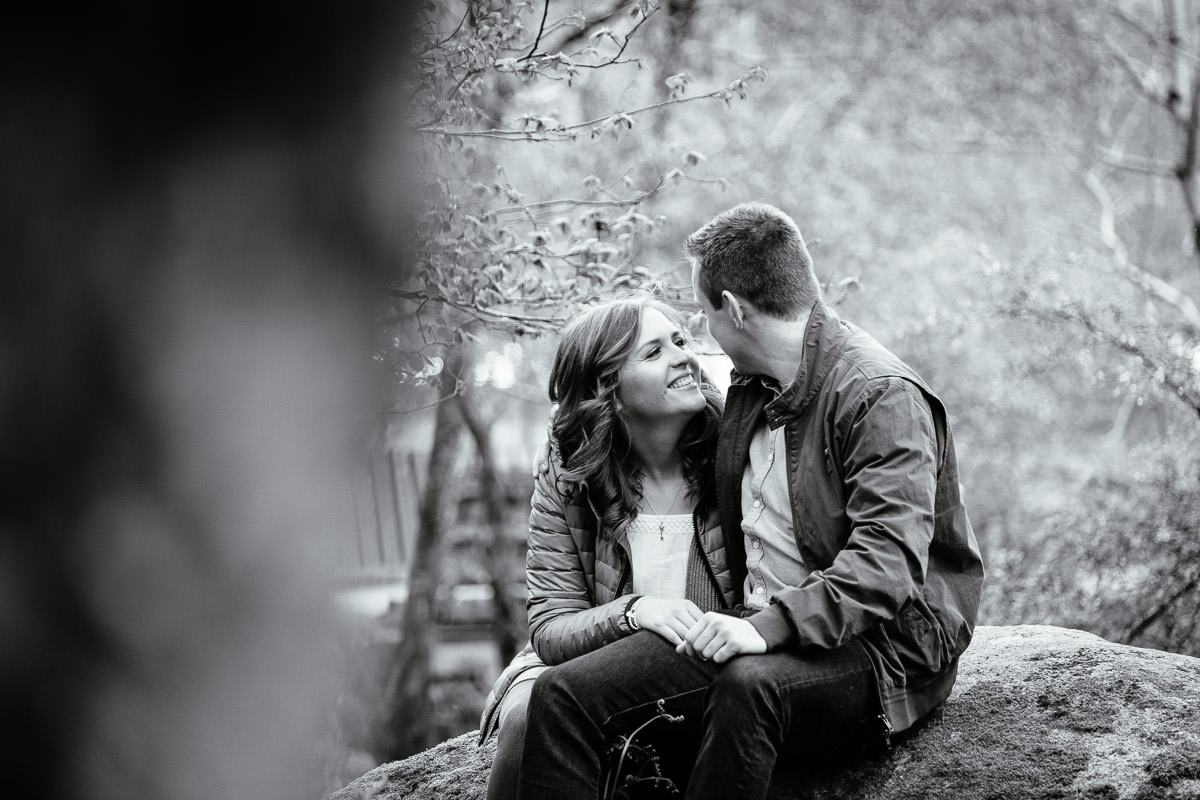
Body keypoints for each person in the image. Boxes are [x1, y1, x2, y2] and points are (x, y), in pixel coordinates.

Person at [516, 202, 986, 800]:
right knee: (560, 697)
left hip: (881, 648)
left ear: (734, 309)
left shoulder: (877, 395)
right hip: (761, 627)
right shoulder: (746, 389)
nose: (696, 342)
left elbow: (886, 568)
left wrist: (767, 627)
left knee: (746, 685)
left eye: (702, 318)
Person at [477, 297, 741, 800]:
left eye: (681, 341)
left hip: (711, 663)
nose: (684, 357)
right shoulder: (569, 474)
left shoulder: (740, 453)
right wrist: (634, 613)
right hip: (586, 666)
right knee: (530, 710)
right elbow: (552, 628)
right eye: (654, 352)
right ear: (609, 392)